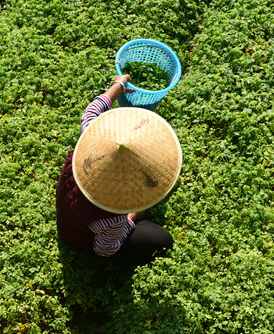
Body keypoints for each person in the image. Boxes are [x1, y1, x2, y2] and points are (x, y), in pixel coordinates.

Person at [56, 75, 182, 264]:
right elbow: (104, 249)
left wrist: (118, 86)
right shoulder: (113, 217)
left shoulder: (91, 142)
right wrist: (132, 217)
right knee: (163, 240)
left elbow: (90, 113)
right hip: (79, 239)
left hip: (70, 212)